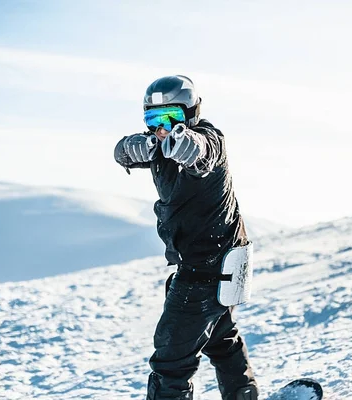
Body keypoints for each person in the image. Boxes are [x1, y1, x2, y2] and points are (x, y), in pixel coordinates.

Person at [113, 75, 259, 400]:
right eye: (153, 119)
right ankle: (243, 394)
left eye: (172, 117)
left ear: (191, 113)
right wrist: (127, 148)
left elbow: (205, 151)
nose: (162, 128)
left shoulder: (207, 139)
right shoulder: (158, 147)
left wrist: (191, 146)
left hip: (204, 272)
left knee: (170, 363)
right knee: (221, 338)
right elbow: (123, 153)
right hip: (220, 265)